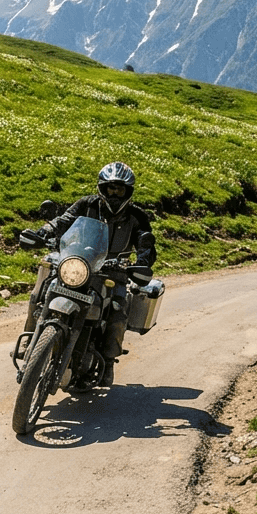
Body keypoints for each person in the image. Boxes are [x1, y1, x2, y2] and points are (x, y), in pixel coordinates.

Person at [27, 161, 156, 386]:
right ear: (101, 188)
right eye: (109, 188)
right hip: (80, 263)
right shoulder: (87, 204)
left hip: (113, 273)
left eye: (119, 189)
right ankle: (31, 340)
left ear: (129, 191)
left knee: (118, 311)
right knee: (41, 291)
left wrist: (141, 262)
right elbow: (63, 221)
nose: (114, 194)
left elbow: (146, 244)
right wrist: (43, 233)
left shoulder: (137, 216)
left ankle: (107, 361)